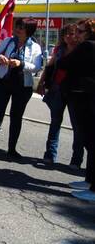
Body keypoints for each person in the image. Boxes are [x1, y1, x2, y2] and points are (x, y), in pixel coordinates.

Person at [0, 18, 43, 159]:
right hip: (3, 82)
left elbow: (37, 67)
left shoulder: (35, 47)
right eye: (17, 26)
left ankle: (12, 149)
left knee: (16, 117)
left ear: (29, 30)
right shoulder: (8, 41)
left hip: (22, 86)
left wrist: (21, 63)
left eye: (22, 27)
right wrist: (0, 56)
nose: (17, 29)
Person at [57, 18, 95, 201]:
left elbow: (64, 63)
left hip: (86, 96)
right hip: (83, 95)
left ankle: (93, 189)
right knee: (89, 141)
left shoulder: (88, 46)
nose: (77, 35)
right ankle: (89, 180)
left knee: (91, 141)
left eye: (80, 31)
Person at [37, 23, 83, 167]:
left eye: (72, 33)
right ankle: (50, 154)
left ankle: (76, 159)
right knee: (55, 122)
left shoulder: (83, 50)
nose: (69, 37)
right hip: (57, 89)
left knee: (78, 126)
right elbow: (50, 66)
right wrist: (41, 82)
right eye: (66, 34)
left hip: (75, 91)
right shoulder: (60, 50)